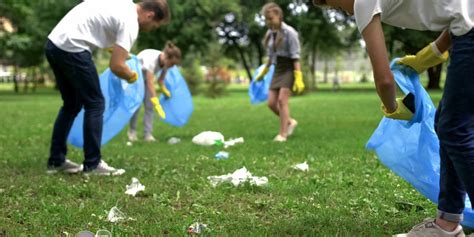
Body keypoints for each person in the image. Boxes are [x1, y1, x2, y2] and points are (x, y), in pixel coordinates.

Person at [313, 0, 473, 236]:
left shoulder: (362, 3)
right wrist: (429, 55)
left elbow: (385, 80)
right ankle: (447, 223)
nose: (343, 12)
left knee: (453, 129)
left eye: (335, 6)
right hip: (465, 33)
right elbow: (462, 12)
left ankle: (447, 223)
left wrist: (392, 107)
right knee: (447, 125)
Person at [45, 0, 170, 175]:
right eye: (154, 25)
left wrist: (113, 49)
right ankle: (93, 164)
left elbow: (94, 18)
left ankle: (56, 161)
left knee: (71, 105)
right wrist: (132, 76)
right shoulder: (131, 23)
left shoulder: (121, 4)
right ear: (150, 15)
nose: (151, 28)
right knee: (95, 103)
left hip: (54, 44)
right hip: (73, 48)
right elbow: (117, 66)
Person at [255, 2, 305, 142]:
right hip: (277, 68)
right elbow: (271, 57)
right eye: (266, 19)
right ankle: (290, 121)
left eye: (270, 18)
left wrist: (298, 77)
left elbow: (296, 57)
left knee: (282, 101)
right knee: (271, 103)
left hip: (289, 68)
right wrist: (264, 72)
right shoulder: (270, 33)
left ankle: (282, 134)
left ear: (278, 16)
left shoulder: (290, 33)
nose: (268, 22)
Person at [128, 42, 181, 142]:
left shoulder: (166, 63)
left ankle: (147, 135)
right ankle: (132, 132)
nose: (172, 66)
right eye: (172, 63)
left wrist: (165, 91)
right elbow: (149, 82)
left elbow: (160, 80)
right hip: (135, 78)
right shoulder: (151, 60)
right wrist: (156, 101)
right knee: (137, 106)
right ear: (166, 58)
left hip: (147, 79)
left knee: (149, 107)